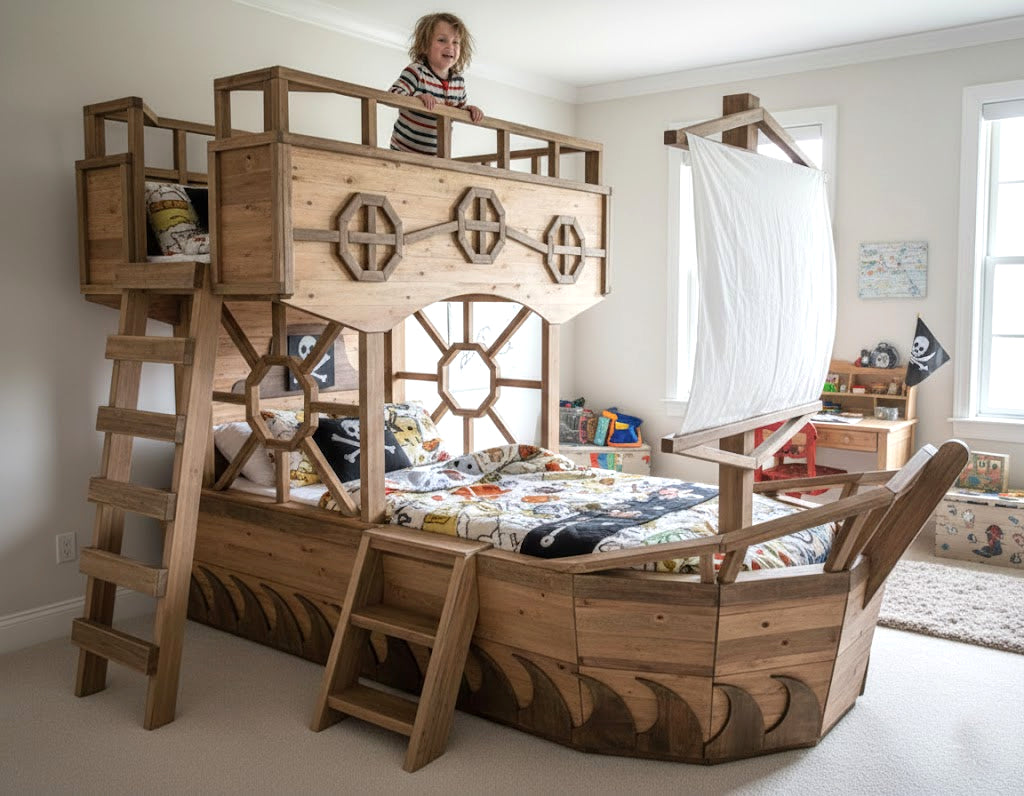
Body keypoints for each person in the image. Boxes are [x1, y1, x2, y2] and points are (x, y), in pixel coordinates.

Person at [389, 12, 483, 155]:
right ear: (425, 46)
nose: (450, 46)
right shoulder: (417, 71)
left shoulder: (458, 82)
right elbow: (392, 95)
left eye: (455, 42)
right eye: (442, 40)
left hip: (436, 156)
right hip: (403, 151)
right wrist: (417, 99)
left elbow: (458, 110)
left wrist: (470, 110)